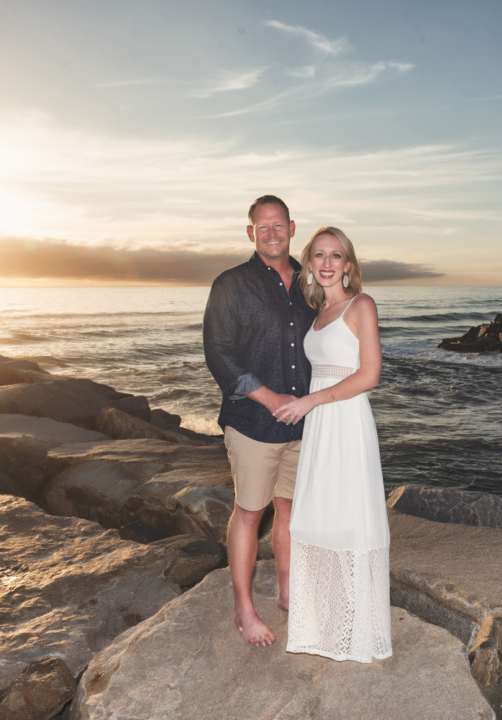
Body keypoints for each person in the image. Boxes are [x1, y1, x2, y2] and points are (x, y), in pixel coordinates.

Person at [273, 227, 392, 663]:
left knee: (349, 515)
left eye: (335, 256)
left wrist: (310, 401)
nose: (326, 264)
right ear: (309, 263)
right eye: (319, 255)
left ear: (348, 264)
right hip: (319, 420)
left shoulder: (361, 305)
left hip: (344, 418)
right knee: (318, 514)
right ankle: (329, 621)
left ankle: (359, 630)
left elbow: (369, 375)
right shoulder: (317, 310)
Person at [202, 195, 317, 647]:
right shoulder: (231, 284)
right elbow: (219, 354)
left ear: (292, 227)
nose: (271, 233)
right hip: (253, 420)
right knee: (250, 513)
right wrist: (271, 399)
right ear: (251, 233)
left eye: (279, 225)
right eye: (261, 227)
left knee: (289, 509)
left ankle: (288, 593)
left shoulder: (310, 284)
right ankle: (244, 609)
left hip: (303, 423)